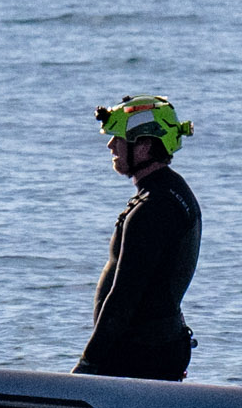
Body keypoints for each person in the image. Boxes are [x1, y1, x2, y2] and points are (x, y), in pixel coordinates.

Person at [75, 95, 201, 380]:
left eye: (118, 138)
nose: (110, 146)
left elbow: (123, 298)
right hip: (152, 352)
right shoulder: (171, 191)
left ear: (144, 145)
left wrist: (87, 365)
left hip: (140, 359)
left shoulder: (153, 208)